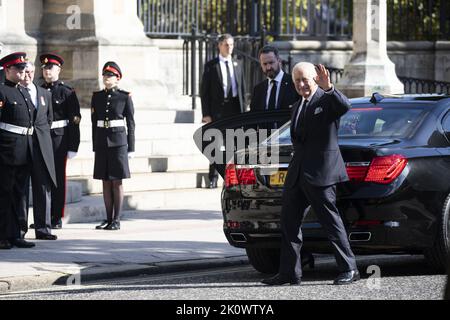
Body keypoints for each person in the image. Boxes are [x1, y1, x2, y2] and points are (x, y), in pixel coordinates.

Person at [262, 62, 359, 286]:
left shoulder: (326, 100)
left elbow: (345, 106)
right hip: (297, 175)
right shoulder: (297, 106)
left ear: (315, 78)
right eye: (297, 80)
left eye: (305, 79)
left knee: (331, 223)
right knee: (289, 224)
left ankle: (349, 269)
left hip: (322, 174)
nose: (301, 84)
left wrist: (330, 88)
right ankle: (289, 273)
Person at [91, 62, 135, 231]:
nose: (106, 78)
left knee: (117, 181)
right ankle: (108, 218)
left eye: (110, 76)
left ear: (117, 78)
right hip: (102, 141)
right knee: (105, 181)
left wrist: (131, 147)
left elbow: (130, 123)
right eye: (104, 75)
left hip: (118, 143)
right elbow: (94, 123)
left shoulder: (124, 97)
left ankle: (116, 219)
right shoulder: (97, 96)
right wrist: (95, 144)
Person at [40, 53, 81, 229]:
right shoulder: (39, 90)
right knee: (43, 179)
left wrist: (73, 146)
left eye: (50, 68)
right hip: (42, 138)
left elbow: (75, 121)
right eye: (44, 68)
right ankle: (44, 217)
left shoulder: (66, 91)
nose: (47, 71)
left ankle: (56, 217)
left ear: (58, 70)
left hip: (59, 139)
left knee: (57, 179)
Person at [200, 33, 246, 189]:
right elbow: (204, 92)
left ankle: (232, 178)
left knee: (234, 145)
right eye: (226, 44)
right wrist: (206, 114)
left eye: (231, 44)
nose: (229, 47)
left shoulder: (238, 64)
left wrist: (244, 110)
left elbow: (242, 89)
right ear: (219, 45)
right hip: (217, 110)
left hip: (234, 108)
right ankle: (213, 177)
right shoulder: (211, 66)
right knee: (216, 145)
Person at [0, 52, 36, 249]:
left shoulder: (22, 91)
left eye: (24, 69)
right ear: (8, 70)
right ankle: (2, 235)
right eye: (19, 69)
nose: (23, 72)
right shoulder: (2, 91)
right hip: (7, 150)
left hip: (24, 149)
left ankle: (16, 233)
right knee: (4, 193)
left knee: (19, 194)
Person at [20, 62, 58, 240]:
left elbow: (48, 120)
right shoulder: (15, 92)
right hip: (21, 147)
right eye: (24, 72)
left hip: (41, 148)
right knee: (21, 190)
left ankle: (43, 228)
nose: (27, 75)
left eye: (30, 72)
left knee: (43, 188)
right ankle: (20, 229)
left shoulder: (44, 93)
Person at [250, 45, 299, 112]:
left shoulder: (294, 83)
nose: (268, 67)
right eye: (265, 64)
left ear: (279, 61)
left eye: (271, 62)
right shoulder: (258, 90)